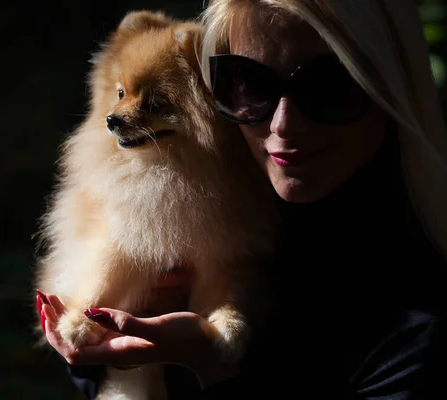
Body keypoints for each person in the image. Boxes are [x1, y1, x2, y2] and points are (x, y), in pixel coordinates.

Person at [36, 0, 447, 398]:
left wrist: (208, 366)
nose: (283, 125)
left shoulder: (419, 311)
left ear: (391, 87)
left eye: (327, 86)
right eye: (248, 84)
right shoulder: (225, 192)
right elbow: (96, 376)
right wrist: (108, 346)